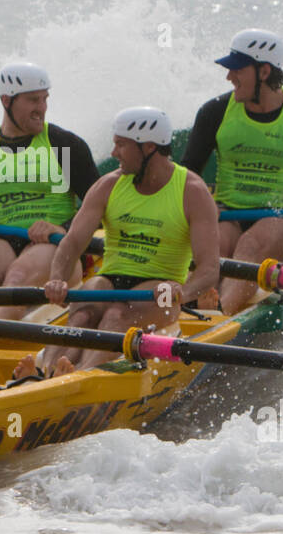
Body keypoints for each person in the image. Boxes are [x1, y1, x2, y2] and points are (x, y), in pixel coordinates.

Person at [14, 107, 220, 379]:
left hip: (159, 289)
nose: (113, 154)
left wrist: (183, 291)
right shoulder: (108, 185)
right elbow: (73, 242)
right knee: (83, 313)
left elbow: (209, 269)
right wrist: (57, 279)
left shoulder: (192, 191)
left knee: (115, 317)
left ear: (148, 148)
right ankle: (44, 372)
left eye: (121, 145)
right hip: (109, 280)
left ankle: (79, 376)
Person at [181, 28, 283, 315]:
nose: (229, 77)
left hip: (280, 217)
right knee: (216, 246)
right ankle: (184, 312)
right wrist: (201, 204)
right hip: (229, 211)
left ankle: (216, 320)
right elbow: (186, 176)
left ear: (264, 71)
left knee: (250, 246)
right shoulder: (214, 113)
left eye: (237, 69)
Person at [0, 63, 100, 320]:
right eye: (32, 100)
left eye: (44, 99)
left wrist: (62, 227)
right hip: (1, 239)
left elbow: (99, 205)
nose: (41, 108)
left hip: (54, 245)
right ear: (6, 100)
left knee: (18, 276)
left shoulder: (65, 145)